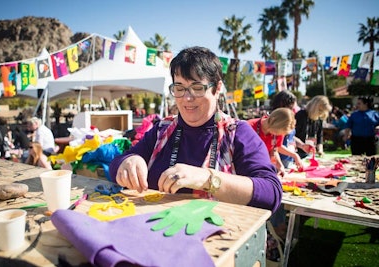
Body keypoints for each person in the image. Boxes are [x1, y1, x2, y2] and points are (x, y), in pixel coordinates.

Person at [109, 46, 282, 212]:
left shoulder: (237, 133)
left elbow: (271, 194)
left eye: (197, 88)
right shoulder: (162, 131)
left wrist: (207, 179)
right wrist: (128, 161)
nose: (187, 98)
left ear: (218, 88)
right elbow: (116, 165)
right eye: (179, 88)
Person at [247, 107, 296, 177]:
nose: (277, 135)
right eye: (277, 132)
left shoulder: (278, 132)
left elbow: (274, 150)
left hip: (263, 169)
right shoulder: (249, 127)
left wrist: (280, 166)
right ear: (273, 121)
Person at [270, 90, 313, 169]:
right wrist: (294, 155)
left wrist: (302, 145)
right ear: (282, 105)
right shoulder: (275, 122)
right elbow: (276, 145)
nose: (294, 111)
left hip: (288, 162)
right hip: (278, 164)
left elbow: (290, 137)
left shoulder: (288, 119)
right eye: (292, 109)